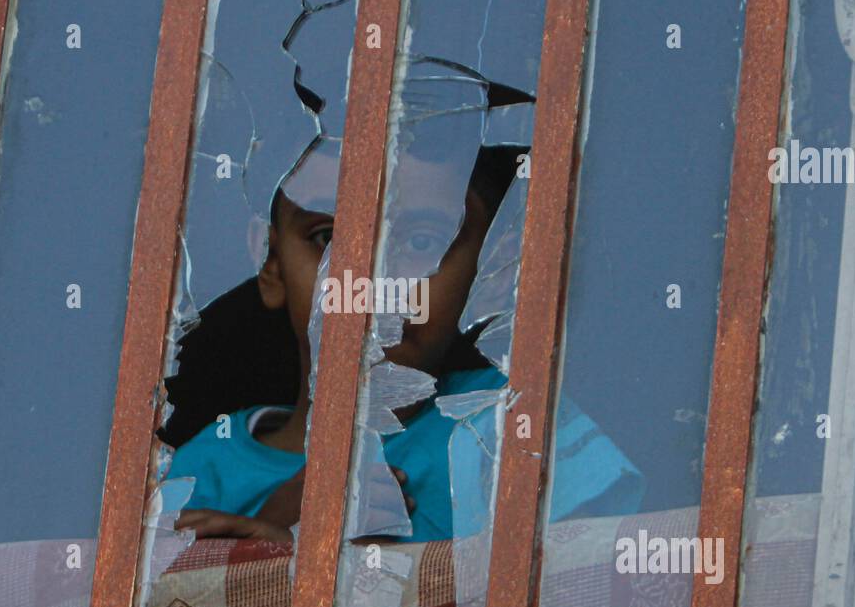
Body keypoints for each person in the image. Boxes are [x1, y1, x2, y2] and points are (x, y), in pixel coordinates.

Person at [160, 135, 643, 545]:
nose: (371, 279)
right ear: (270, 262)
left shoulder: (511, 424)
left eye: (420, 242)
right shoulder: (204, 469)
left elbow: (584, 605)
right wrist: (270, 547)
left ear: (493, 272)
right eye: (327, 237)